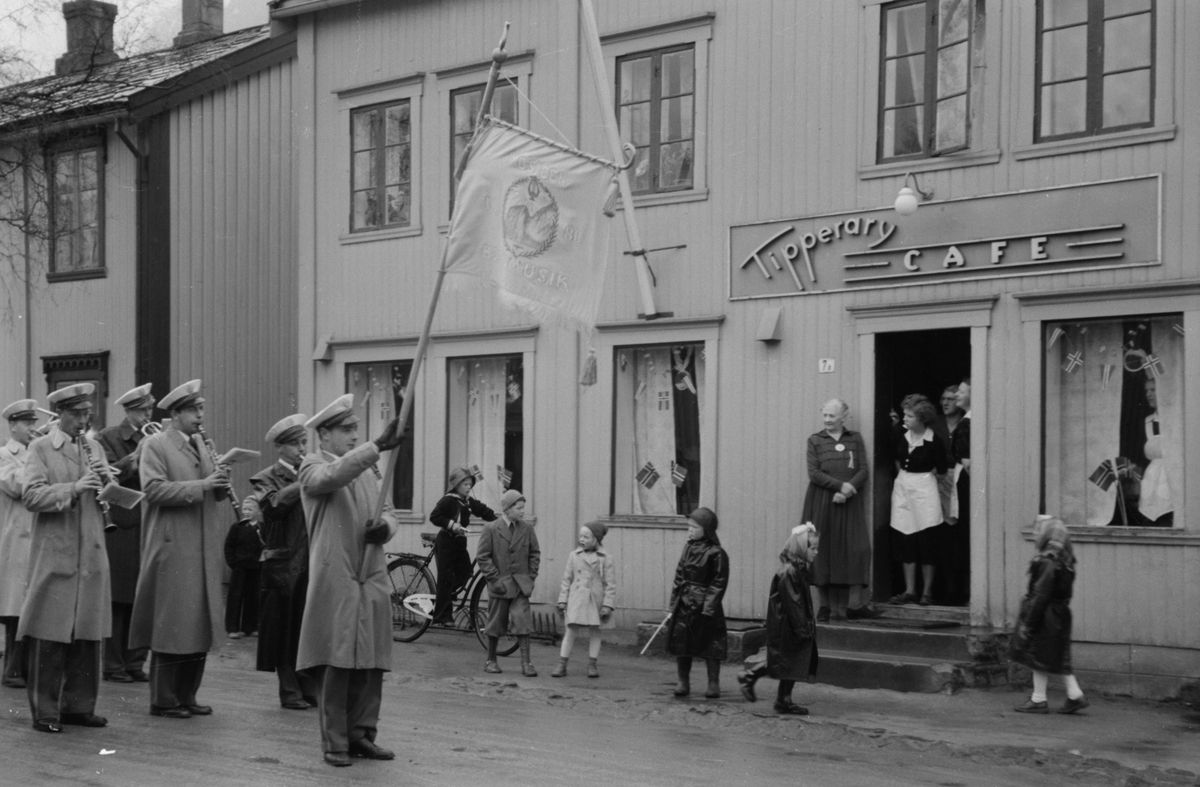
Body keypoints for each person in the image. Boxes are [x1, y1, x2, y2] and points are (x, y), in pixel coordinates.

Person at [297, 394, 404, 767]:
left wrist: (385, 529)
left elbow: (389, 512)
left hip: (370, 574)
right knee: (337, 662)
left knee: (371, 662)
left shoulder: (369, 469)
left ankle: (362, 734)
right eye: (346, 430)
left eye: (357, 429)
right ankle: (335, 742)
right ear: (323, 435)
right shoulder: (312, 466)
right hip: (337, 578)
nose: (353, 436)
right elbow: (332, 476)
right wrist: (376, 446)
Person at [130, 379, 231, 719]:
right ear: (175, 414)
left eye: (201, 409)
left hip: (201, 547)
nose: (200, 416)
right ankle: (163, 699)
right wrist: (203, 484)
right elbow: (154, 490)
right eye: (193, 410)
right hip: (173, 546)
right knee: (172, 624)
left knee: (198, 623)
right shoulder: (156, 445)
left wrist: (220, 483)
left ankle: (187, 694)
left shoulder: (201, 444)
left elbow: (211, 493)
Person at [18, 384, 112, 732]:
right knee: (50, 636)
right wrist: (73, 489)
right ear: (61, 415)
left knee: (88, 634)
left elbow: (103, 495)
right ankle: (45, 712)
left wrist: (109, 486)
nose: (84, 421)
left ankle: (79, 707)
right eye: (77, 415)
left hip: (91, 551)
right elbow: (31, 495)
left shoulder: (95, 447)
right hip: (56, 552)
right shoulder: (41, 448)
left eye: (87, 414)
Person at [251, 413, 319, 710]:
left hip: (311, 559)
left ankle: (308, 686)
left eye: (304, 442)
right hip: (282, 566)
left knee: (307, 628)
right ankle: (289, 691)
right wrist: (303, 480)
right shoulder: (265, 477)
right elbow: (273, 506)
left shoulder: (311, 471)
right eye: (295, 444)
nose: (302, 449)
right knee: (285, 631)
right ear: (280, 448)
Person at [95, 383, 155, 683]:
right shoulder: (108, 437)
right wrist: (134, 459)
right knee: (119, 598)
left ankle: (135, 662)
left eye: (150, 410)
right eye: (143, 411)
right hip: (122, 523)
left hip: (150, 522)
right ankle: (113, 664)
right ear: (129, 411)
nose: (148, 416)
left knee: (142, 596)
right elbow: (105, 478)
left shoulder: (155, 437)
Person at [801, 399, 872, 622]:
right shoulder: (815, 440)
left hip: (848, 501)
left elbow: (863, 470)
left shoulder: (854, 438)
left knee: (854, 549)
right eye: (825, 416)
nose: (828, 420)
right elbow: (814, 473)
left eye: (832, 416)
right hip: (822, 499)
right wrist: (839, 485)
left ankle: (848, 608)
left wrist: (848, 490)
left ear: (844, 416)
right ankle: (824, 607)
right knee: (821, 548)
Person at [737, 523, 820, 715]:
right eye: (812, 548)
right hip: (788, 626)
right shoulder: (790, 571)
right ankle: (750, 676)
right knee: (784, 659)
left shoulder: (797, 569)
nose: (816, 552)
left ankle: (782, 698)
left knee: (789, 660)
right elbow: (794, 603)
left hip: (791, 625)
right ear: (800, 548)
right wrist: (803, 629)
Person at [1010, 516, 1089, 714]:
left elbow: (1040, 594)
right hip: (1060, 612)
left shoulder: (1047, 561)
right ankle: (1074, 695)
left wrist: (1028, 622)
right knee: (1056, 656)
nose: (1037, 535)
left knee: (1038, 655)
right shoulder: (1067, 561)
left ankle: (1039, 699)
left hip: (1046, 614)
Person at [889, 394, 948, 606]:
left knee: (927, 539)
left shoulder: (935, 441)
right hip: (903, 487)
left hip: (925, 489)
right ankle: (910, 590)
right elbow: (895, 459)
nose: (905, 418)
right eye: (905, 414)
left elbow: (942, 471)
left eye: (910, 416)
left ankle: (927, 592)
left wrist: (922, 478)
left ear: (922, 419)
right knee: (905, 536)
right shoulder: (900, 434)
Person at [665, 507, 729, 699]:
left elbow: (719, 582)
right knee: (682, 642)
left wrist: (709, 607)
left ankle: (713, 683)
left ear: (707, 529)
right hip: (685, 602)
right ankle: (683, 681)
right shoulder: (688, 548)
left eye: (694, 527)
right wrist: (673, 603)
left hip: (705, 606)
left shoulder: (717, 552)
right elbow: (679, 575)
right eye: (689, 526)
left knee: (711, 645)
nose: (690, 530)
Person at [476, 489, 541, 677]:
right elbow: (483, 557)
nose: (522, 512)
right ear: (506, 509)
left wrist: (530, 577)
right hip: (500, 585)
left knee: (523, 621)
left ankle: (526, 663)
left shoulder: (527, 528)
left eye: (523, 508)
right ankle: (491, 660)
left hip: (521, 585)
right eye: (518, 508)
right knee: (495, 623)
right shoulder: (491, 528)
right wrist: (494, 579)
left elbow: (534, 554)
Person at [0, 400, 40, 689]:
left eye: (33, 423)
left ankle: (25, 667)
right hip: (15, 538)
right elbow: (18, 485)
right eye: (27, 424)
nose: (32, 429)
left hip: (36, 536)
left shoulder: (36, 452)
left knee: (31, 604)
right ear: (12, 425)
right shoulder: (3, 455)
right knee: (16, 608)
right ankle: (13, 669)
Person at [429, 467, 496, 626]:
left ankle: (448, 593)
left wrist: (498, 523)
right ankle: (442, 616)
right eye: (464, 483)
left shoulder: (468, 501)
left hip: (459, 542)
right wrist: (451, 524)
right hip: (446, 541)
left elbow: (484, 511)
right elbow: (435, 517)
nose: (468, 487)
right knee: (445, 578)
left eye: (469, 483)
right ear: (456, 485)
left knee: (466, 571)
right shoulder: (448, 500)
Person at [552, 521, 616, 679]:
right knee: (571, 630)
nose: (582, 539)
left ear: (595, 539)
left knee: (595, 631)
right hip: (577, 599)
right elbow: (566, 579)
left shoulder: (606, 558)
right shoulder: (574, 555)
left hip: (596, 600)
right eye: (581, 536)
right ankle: (562, 664)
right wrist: (562, 600)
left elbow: (610, 584)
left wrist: (608, 604)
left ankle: (592, 664)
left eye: (586, 537)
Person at [224, 496, 263, 639]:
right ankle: (232, 628)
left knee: (253, 598)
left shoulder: (262, 528)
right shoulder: (237, 527)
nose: (246, 512)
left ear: (258, 511)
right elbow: (228, 546)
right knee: (235, 598)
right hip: (240, 568)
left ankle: (250, 627)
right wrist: (233, 563)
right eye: (244, 509)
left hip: (256, 568)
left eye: (250, 509)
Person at [1137, 377, 1173, 526]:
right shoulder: (1147, 422)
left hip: (1171, 481)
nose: (1148, 394)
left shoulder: (1175, 420)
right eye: (1146, 390)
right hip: (1151, 484)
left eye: (1153, 390)